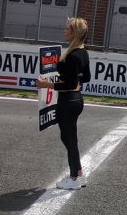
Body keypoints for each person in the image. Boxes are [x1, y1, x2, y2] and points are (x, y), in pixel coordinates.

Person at [36, 17, 91, 190]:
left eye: (67, 28)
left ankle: (74, 178)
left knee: (69, 139)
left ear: (74, 33)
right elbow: (87, 77)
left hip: (68, 101)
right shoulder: (83, 52)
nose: (65, 31)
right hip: (76, 100)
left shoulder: (73, 56)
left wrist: (47, 84)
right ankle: (79, 173)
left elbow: (69, 83)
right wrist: (73, 79)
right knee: (69, 138)